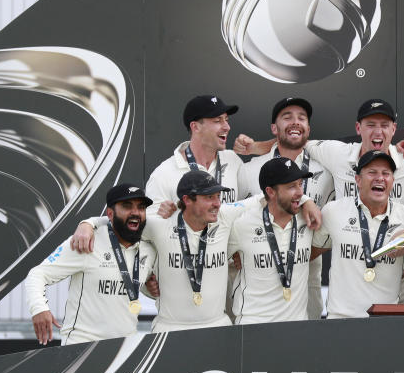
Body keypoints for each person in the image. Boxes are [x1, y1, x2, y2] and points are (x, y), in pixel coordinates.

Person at [73, 171, 320, 332]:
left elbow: (264, 197)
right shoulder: (159, 224)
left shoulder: (225, 215)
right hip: (169, 329)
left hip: (217, 327)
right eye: (209, 197)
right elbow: (123, 219)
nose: (217, 203)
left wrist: (307, 200)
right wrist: (88, 224)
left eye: (217, 196)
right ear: (187, 200)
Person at [236, 97, 334, 319]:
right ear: (274, 128)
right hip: (259, 290)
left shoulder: (326, 169)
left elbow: (335, 222)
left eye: (302, 118)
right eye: (287, 117)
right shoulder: (250, 170)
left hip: (307, 282)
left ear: (308, 128)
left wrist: (305, 252)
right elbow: (231, 215)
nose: (295, 122)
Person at [24, 184, 157, 345]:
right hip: (80, 346)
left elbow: (136, 284)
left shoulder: (149, 250)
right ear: (110, 213)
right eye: (127, 206)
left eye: (141, 207)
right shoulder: (85, 241)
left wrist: (150, 290)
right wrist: (39, 308)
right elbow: (37, 274)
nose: (135, 212)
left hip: (121, 349)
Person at [310, 150, 404, 318]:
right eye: (372, 172)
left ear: (393, 181)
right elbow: (310, 253)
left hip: (386, 322)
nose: (380, 178)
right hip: (340, 320)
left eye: (386, 173)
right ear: (358, 180)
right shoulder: (333, 211)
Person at [228, 157, 318, 324]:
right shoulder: (242, 224)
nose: (300, 192)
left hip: (297, 328)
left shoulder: (309, 218)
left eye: (300, 184)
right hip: (252, 329)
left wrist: (309, 202)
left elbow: (323, 244)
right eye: (291, 186)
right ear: (270, 191)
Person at [146, 94, 243, 209]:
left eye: (226, 120)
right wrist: (166, 216)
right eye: (218, 121)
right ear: (195, 127)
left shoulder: (233, 160)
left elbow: (249, 205)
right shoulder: (163, 175)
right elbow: (153, 221)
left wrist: (257, 147)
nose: (227, 127)